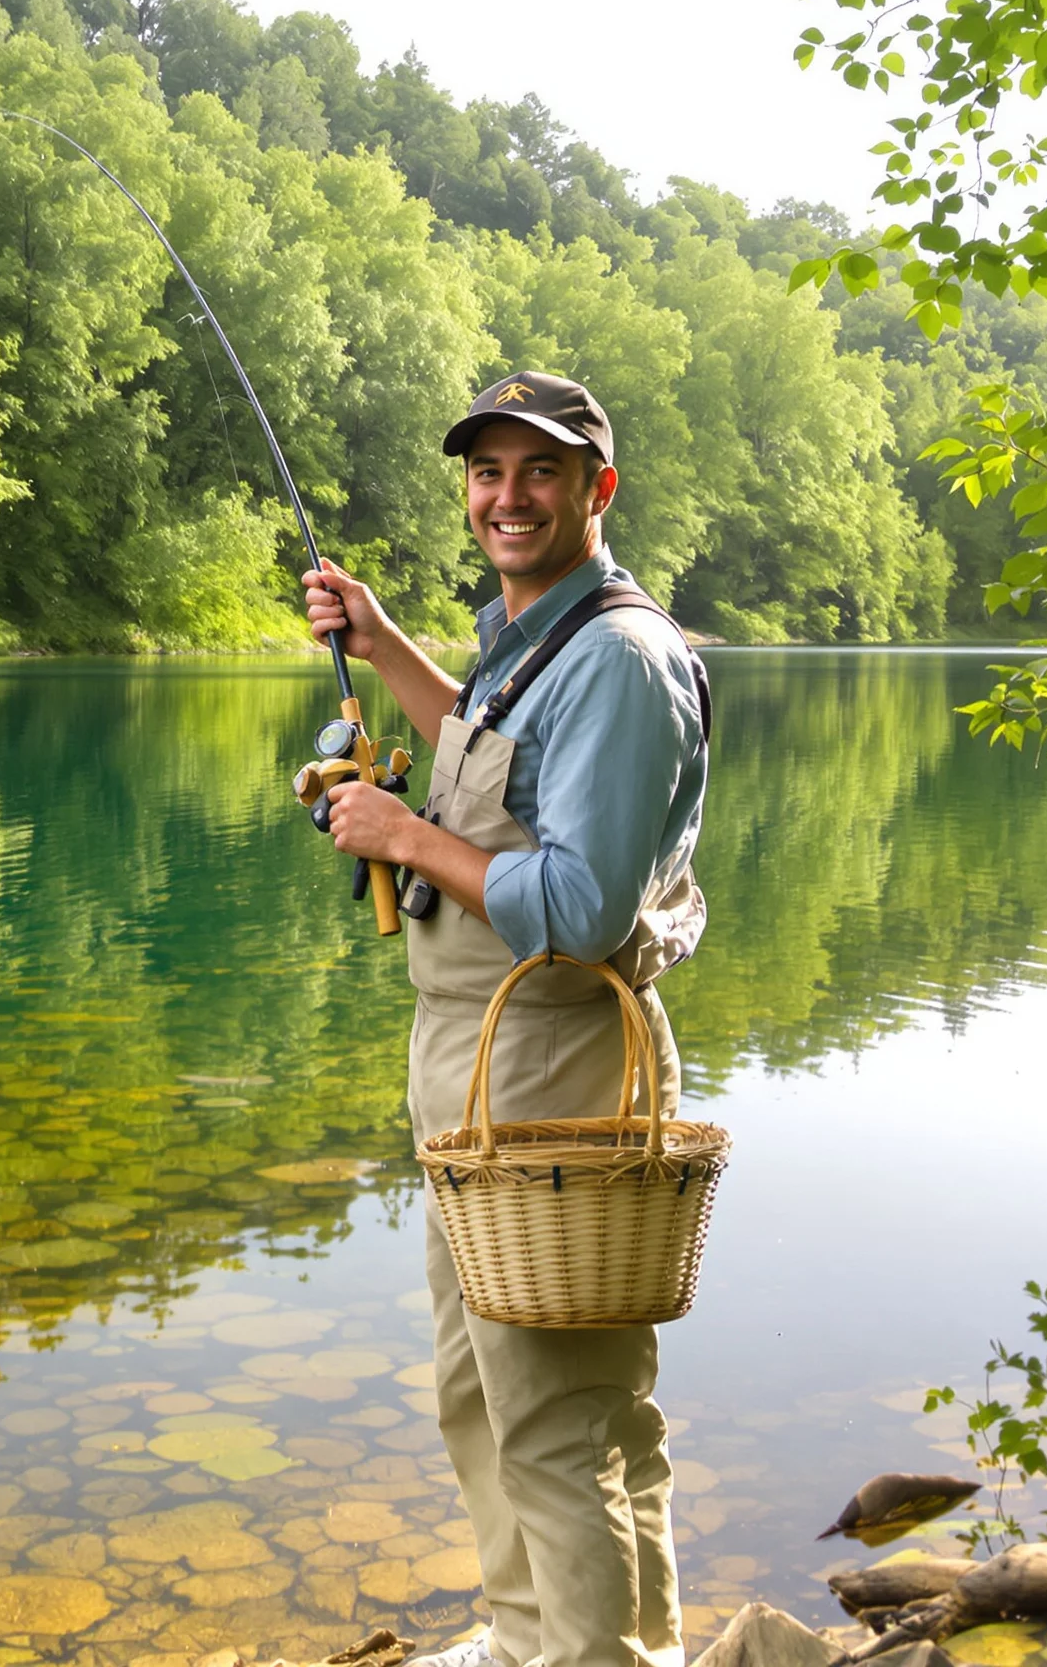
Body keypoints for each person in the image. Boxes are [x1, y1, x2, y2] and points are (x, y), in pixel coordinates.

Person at [302, 370, 709, 1667]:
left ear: (599, 489)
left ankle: (596, 1662)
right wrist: (376, 639)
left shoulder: (624, 660)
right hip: (478, 1059)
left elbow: (585, 907)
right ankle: (538, 1639)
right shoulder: (535, 636)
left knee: (562, 1415)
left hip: (551, 1057)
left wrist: (408, 833)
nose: (508, 497)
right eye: (487, 471)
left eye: (540, 471)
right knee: (486, 1390)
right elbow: (488, 749)